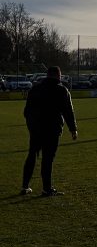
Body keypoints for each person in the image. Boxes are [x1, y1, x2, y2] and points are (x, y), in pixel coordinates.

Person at [21, 66, 78, 196]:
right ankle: (47, 189)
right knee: (48, 158)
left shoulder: (35, 89)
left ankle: (25, 186)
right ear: (59, 75)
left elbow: (27, 111)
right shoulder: (62, 90)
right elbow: (68, 111)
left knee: (32, 155)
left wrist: (31, 125)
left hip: (36, 128)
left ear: (47, 75)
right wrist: (73, 129)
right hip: (52, 129)